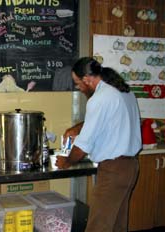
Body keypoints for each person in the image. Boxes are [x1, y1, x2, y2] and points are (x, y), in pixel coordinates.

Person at [56, 57, 142, 232]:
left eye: (78, 83)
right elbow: (109, 119)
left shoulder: (100, 98)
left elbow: (82, 147)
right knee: (117, 224)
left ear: (87, 80)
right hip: (129, 166)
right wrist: (77, 128)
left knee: (98, 226)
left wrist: (66, 161)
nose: (79, 88)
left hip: (113, 170)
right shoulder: (123, 91)